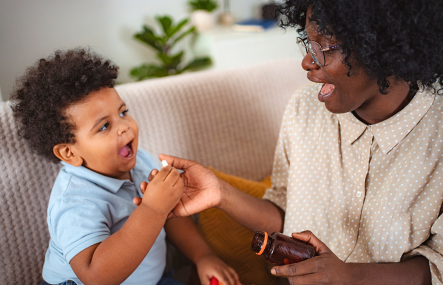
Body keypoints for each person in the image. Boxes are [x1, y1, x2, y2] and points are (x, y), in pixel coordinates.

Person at [134, 0, 443, 284]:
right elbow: (284, 213)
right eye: (308, 44)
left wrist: (351, 277)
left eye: (324, 48)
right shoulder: (303, 108)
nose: (308, 62)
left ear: (383, 47)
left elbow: (438, 266)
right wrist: (220, 193)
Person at [10, 48, 240, 285]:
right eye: (104, 126)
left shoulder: (141, 161)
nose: (124, 127)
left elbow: (172, 215)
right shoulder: (75, 202)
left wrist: (203, 256)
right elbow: (95, 275)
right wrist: (152, 209)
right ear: (69, 152)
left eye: (123, 112)